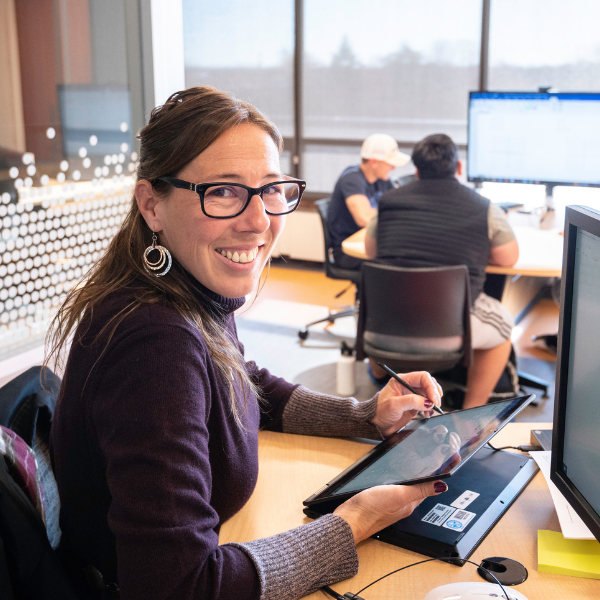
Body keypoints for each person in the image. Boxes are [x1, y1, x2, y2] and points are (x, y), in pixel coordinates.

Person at [47, 87, 450, 600]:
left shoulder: (187, 292)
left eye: (271, 189)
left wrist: (365, 416)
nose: (259, 220)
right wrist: (351, 523)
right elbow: (178, 586)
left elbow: (243, 380)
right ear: (152, 205)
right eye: (222, 191)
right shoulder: (151, 343)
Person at [365, 134, 519, 409]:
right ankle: (471, 412)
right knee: (504, 326)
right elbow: (508, 258)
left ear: (416, 170)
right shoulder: (484, 208)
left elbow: (371, 251)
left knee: (369, 302)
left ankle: (381, 373)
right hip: (451, 329)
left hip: (381, 326)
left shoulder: (387, 202)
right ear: (459, 167)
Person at [328, 133, 410, 271]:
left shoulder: (383, 179)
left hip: (371, 241)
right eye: (390, 163)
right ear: (374, 162)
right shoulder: (352, 179)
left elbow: (399, 205)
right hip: (347, 251)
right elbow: (363, 218)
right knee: (398, 262)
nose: (393, 168)